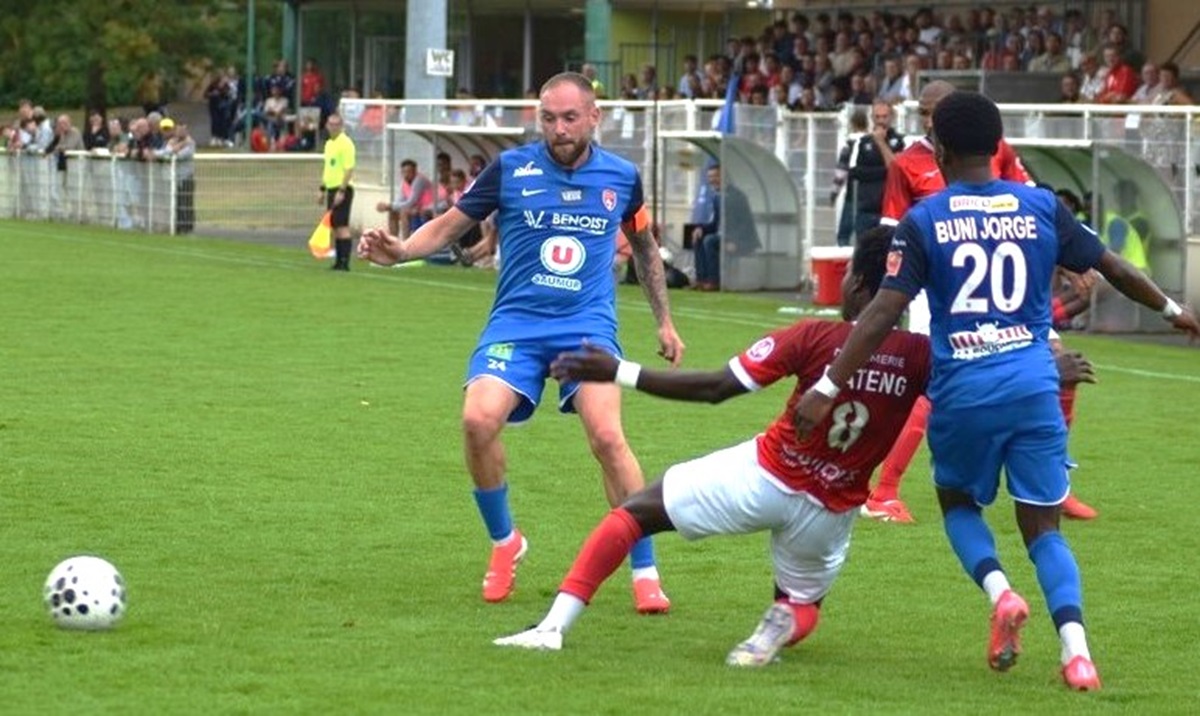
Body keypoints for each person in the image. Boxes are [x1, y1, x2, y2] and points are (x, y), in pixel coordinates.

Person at [492, 226, 1095, 659]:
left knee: (633, 514)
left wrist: (616, 370)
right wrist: (1052, 371)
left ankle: (553, 628)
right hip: (832, 513)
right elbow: (982, 375)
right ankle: (782, 621)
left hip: (766, 474)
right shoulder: (922, 357)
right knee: (801, 601)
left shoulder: (813, 336)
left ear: (859, 284)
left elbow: (715, 389)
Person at [794, 91, 1200, 692]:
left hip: (963, 392)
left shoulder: (926, 219)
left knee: (958, 503)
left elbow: (882, 310)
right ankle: (1077, 653)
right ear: (999, 144)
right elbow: (1111, 266)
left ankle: (1001, 593)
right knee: (1044, 529)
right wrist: (1173, 309)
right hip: (1036, 388)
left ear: (943, 149)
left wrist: (829, 383)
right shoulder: (1041, 205)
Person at [356, 72, 686, 612]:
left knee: (606, 436)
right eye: (549, 118)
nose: (559, 129)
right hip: (516, 325)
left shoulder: (623, 178)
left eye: (570, 117)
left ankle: (644, 568)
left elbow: (646, 249)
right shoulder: (510, 169)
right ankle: (505, 542)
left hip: (586, 326)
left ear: (594, 116)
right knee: (476, 420)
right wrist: (402, 250)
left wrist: (665, 323)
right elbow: (448, 225)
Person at [870, 80, 1044, 524]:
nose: (930, 120)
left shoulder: (993, 148)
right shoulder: (907, 164)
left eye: (938, 111)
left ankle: (1053, 480)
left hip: (1001, 283)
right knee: (935, 381)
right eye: (925, 112)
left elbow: (1024, 201)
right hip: (935, 286)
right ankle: (885, 489)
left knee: (1055, 366)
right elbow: (891, 231)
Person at [690, 164, 760, 291]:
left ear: (724, 177)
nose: (712, 179)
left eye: (716, 176)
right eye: (710, 177)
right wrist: (701, 229)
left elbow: (745, 224)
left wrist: (735, 242)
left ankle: (714, 281)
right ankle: (701, 279)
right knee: (698, 237)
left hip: (742, 241)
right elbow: (715, 223)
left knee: (710, 241)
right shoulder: (717, 196)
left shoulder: (737, 196)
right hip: (724, 237)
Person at [317, 112, 355, 271]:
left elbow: (349, 168)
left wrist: (342, 190)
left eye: (336, 125)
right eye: (330, 124)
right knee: (335, 223)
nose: (332, 127)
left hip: (342, 189)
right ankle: (339, 261)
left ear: (341, 126)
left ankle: (344, 261)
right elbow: (328, 169)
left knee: (342, 225)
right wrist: (322, 188)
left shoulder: (345, 143)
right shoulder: (329, 144)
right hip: (331, 188)